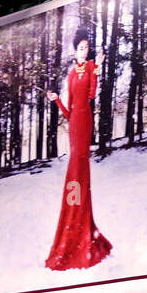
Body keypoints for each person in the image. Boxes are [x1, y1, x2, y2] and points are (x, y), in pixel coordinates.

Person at [44, 26, 112, 270]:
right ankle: (74, 225)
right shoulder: (72, 73)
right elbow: (69, 110)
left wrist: (99, 68)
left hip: (85, 123)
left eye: (86, 47)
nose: (84, 51)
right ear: (74, 50)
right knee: (74, 172)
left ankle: (82, 227)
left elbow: (92, 94)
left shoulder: (92, 66)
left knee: (80, 171)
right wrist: (57, 101)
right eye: (80, 48)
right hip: (74, 124)